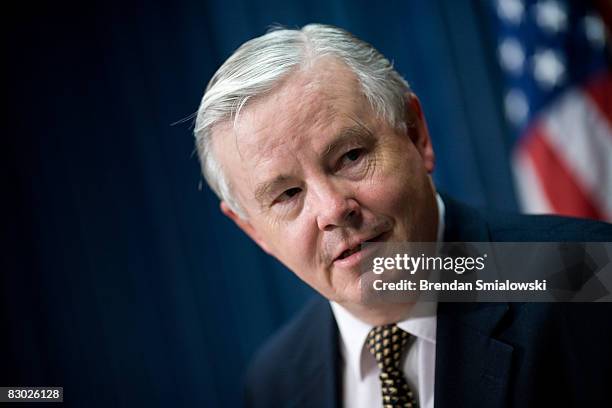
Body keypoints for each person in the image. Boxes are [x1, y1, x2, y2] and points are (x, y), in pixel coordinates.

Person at [194, 24, 612, 408]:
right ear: (252, 230)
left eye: (350, 156)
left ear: (416, 134)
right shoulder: (275, 382)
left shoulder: (585, 276)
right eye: (287, 194)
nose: (333, 210)